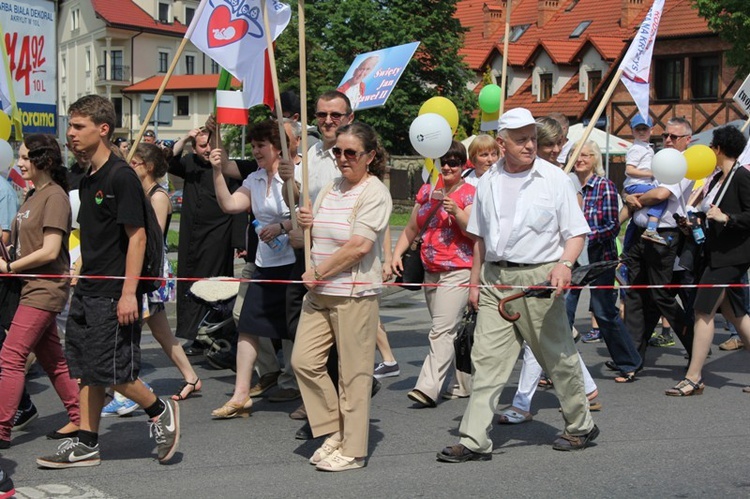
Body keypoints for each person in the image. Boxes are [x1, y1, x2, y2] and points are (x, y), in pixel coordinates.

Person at [437, 108, 598, 464]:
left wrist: (565, 264)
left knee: (556, 358)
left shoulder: (554, 178)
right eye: (521, 139)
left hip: (539, 278)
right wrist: (476, 283)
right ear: (501, 142)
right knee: (487, 360)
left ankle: (580, 425)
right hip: (496, 279)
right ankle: (475, 439)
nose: (530, 145)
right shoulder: (487, 181)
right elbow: (479, 237)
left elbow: (576, 233)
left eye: (533, 138)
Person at [37, 95, 179, 468]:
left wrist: (129, 292)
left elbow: (138, 237)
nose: (70, 133)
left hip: (115, 291)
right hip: (88, 287)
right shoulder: (89, 178)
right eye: (70, 126)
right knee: (86, 369)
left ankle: (158, 408)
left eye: (78, 126)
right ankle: (87, 443)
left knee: (111, 371)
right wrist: (79, 268)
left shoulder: (121, 176)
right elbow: (95, 235)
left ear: (102, 129)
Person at [292, 121, 392, 471]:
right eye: (338, 151)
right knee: (303, 362)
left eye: (352, 153)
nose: (343, 158)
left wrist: (318, 272)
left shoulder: (374, 192)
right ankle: (334, 429)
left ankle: (354, 450)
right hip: (320, 294)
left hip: (354, 294)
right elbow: (311, 236)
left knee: (353, 376)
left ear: (370, 156)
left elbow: (359, 247)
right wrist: (304, 221)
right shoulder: (329, 188)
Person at [209, 119, 295, 418]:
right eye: (254, 146)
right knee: (247, 323)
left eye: (262, 146)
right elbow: (231, 205)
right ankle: (240, 394)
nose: (256, 151)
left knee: (292, 329)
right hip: (265, 263)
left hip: (294, 263)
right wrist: (217, 172)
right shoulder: (255, 179)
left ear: (277, 148)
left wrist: (281, 226)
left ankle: (299, 386)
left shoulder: (291, 176)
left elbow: (305, 215)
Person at [0, 135, 80, 449]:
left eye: (24, 158)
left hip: (44, 289)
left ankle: (2, 429)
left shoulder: (55, 196)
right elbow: (26, 245)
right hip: (29, 286)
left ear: (42, 160)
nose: (19, 163)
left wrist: (10, 267)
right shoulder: (33, 194)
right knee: (53, 361)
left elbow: (50, 250)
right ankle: (80, 416)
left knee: (10, 356)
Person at [666, 126, 750, 396]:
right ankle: (694, 376)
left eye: (712, 147)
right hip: (713, 253)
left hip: (730, 257)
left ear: (719, 149)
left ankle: (693, 377)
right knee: (736, 316)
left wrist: (728, 218)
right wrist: (693, 222)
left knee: (702, 311)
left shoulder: (742, 177)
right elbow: (709, 213)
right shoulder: (716, 179)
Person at [392, 140, 475, 407]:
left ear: (463, 165)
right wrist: (396, 255)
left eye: (455, 162)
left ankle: (427, 387)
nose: (449, 166)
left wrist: (458, 213)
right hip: (430, 270)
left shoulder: (469, 193)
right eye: (445, 162)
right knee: (446, 330)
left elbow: (475, 232)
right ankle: (462, 383)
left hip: (458, 270)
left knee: (441, 330)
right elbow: (411, 229)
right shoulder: (427, 192)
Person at [128, 143, 201, 401]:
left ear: (147, 167)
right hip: (146, 268)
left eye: (134, 163)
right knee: (161, 332)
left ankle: (125, 384)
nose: (130, 167)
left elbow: (154, 235)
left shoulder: (158, 196)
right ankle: (191, 377)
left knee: (130, 327)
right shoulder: (141, 193)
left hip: (151, 270)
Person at [622, 117, 695, 366]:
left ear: (687, 140)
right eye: (665, 135)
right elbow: (632, 183)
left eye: (674, 137)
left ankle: (695, 344)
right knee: (634, 294)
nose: (668, 140)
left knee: (661, 296)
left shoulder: (684, 165)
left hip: (663, 236)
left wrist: (636, 198)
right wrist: (627, 194)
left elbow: (662, 194)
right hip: (639, 233)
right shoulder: (657, 159)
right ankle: (630, 358)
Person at [568, 140, 642, 382]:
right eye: (575, 155)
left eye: (585, 155)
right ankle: (554, 369)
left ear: (595, 160)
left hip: (599, 257)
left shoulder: (605, 186)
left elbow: (611, 227)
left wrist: (583, 237)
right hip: (571, 258)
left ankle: (628, 362)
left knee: (603, 310)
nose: (580, 159)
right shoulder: (565, 186)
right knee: (563, 310)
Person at [169, 127, 237, 352]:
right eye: (201, 145)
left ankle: (216, 334)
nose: (206, 150)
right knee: (190, 284)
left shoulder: (228, 168)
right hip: (191, 236)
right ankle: (194, 334)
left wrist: (240, 243)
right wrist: (187, 136)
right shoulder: (190, 163)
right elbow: (169, 158)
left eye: (210, 144)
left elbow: (238, 209)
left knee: (214, 285)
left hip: (217, 236)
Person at [621, 115, 668, 246]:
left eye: (645, 129)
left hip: (640, 185)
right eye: (638, 129)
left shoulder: (646, 148)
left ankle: (626, 247)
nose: (641, 132)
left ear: (651, 130)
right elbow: (629, 170)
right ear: (632, 131)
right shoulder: (637, 148)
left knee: (635, 216)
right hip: (637, 184)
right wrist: (651, 173)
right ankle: (651, 227)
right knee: (661, 196)